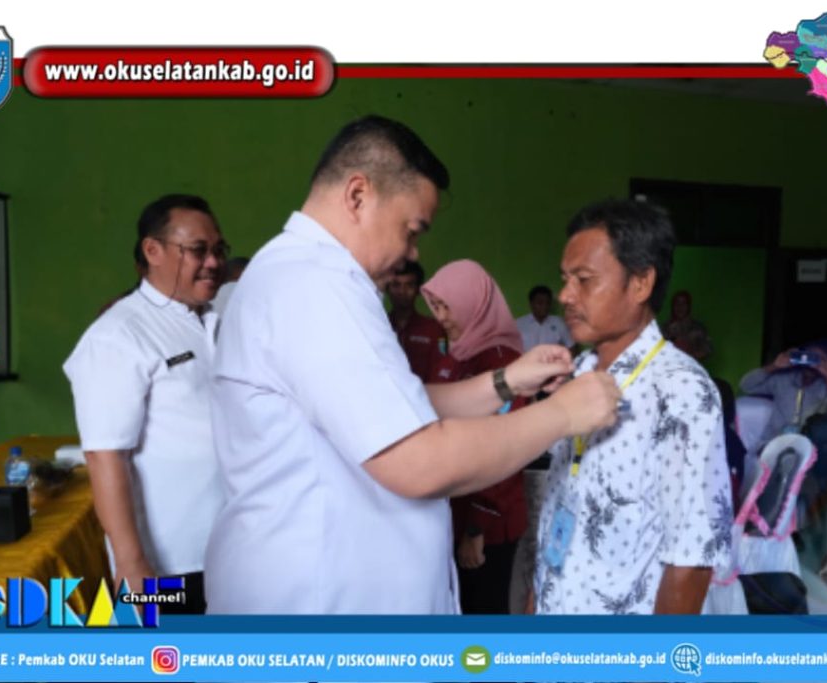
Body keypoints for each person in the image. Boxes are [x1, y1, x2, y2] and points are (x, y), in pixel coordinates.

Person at [205, 115, 621, 615]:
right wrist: (563, 414)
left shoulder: (307, 277)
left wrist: (506, 382)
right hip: (323, 604)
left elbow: (394, 405)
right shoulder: (315, 285)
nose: (412, 252)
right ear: (358, 195)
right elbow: (418, 460)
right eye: (411, 230)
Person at [533, 199, 733, 615]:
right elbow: (555, 513)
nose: (565, 295)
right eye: (565, 280)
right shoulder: (578, 372)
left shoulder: (680, 391)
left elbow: (690, 562)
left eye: (584, 280)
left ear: (641, 284)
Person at [63, 194, 229, 613]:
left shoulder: (210, 323)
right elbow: (105, 456)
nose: (213, 262)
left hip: (230, 545)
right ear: (152, 251)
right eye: (198, 250)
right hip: (169, 562)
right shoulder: (118, 335)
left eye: (218, 249)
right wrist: (131, 562)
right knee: (173, 650)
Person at [421, 259, 528, 614]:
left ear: (472, 303)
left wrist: (477, 527)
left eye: (447, 306)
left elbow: (502, 449)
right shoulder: (455, 353)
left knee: (484, 614)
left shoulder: (503, 362)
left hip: (486, 521)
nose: (440, 317)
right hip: (453, 508)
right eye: (435, 306)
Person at [740, 345, 827, 447]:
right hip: (773, 443)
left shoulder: (826, 389)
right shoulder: (782, 379)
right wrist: (774, 366)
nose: (811, 363)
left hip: (807, 447)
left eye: (818, 359)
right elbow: (746, 386)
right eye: (808, 356)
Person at [387, 260, 446, 381]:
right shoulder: (379, 325)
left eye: (409, 285)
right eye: (396, 285)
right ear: (387, 288)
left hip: (426, 392)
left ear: (418, 290)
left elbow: (440, 371)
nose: (402, 291)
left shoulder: (434, 329)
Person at [516, 285, 575, 353]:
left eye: (548, 303)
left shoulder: (559, 323)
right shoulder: (519, 324)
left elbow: (572, 346)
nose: (545, 306)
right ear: (531, 304)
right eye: (540, 303)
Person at [663, 290, 712, 361]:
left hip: (691, 366)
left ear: (689, 306)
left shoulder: (697, 328)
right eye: (677, 303)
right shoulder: (665, 329)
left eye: (684, 303)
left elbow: (708, 350)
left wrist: (689, 355)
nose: (680, 307)